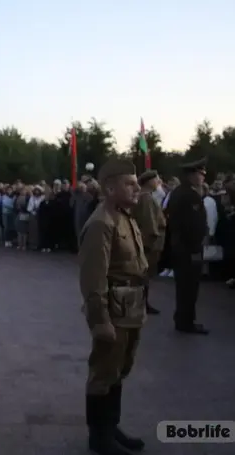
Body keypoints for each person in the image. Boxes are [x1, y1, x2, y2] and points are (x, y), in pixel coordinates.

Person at [78, 159, 147, 455]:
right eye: (129, 184)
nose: (137, 189)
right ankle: (99, 437)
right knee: (103, 372)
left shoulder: (123, 216)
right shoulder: (101, 223)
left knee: (119, 370)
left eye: (137, 183)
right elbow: (93, 280)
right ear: (109, 188)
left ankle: (111, 426)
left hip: (130, 306)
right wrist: (100, 320)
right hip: (114, 311)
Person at [166, 158, 209, 334]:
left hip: (181, 247)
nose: (202, 178)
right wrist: (196, 245)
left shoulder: (178, 192)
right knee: (189, 286)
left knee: (184, 286)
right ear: (192, 175)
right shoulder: (189, 195)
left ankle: (184, 319)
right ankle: (186, 321)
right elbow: (192, 225)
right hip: (189, 249)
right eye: (200, 174)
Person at [132, 170, 166, 315]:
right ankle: (142, 304)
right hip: (148, 243)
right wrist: (150, 242)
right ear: (149, 182)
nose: (158, 181)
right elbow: (149, 223)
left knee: (142, 275)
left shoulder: (144, 196)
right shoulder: (146, 198)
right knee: (144, 275)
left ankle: (141, 303)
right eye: (156, 179)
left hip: (144, 242)